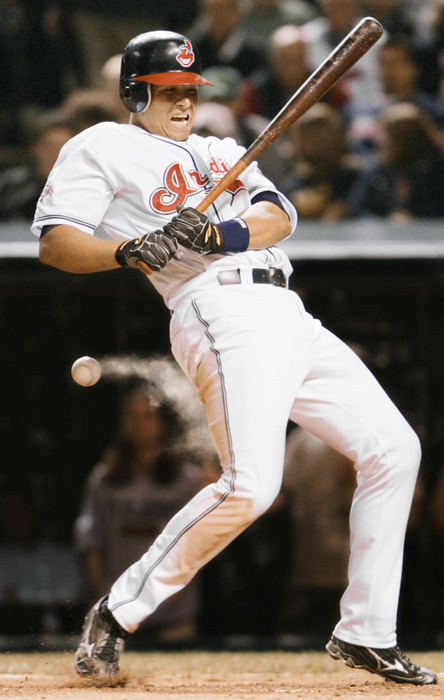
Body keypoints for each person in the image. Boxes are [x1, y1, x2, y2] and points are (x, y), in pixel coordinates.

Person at [32, 29, 437, 686]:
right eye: (169, 91)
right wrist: (131, 249)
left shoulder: (222, 149)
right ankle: (118, 611)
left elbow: (279, 216)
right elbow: (56, 243)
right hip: (218, 309)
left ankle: (365, 630)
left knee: (395, 448)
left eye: (191, 90)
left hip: (287, 309)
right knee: (251, 485)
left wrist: (222, 231)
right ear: (135, 91)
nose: (185, 102)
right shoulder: (103, 145)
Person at [75, 379, 202, 641]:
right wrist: (102, 594)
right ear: (122, 423)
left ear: (163, 422)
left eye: (148, 416)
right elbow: (90, 539)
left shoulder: (187, 479)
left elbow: (200, 540)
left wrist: (177, 591)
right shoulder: (105, 478)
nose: (139, 424)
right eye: (131, 416)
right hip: (117, 611)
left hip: (174, 617)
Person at [348, 102, 444, 220]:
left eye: (388, 135)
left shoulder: (437, 173)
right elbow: (358, 209)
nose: (381, 141)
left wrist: (414, 220)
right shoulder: (378, 173)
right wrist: (387, 221)